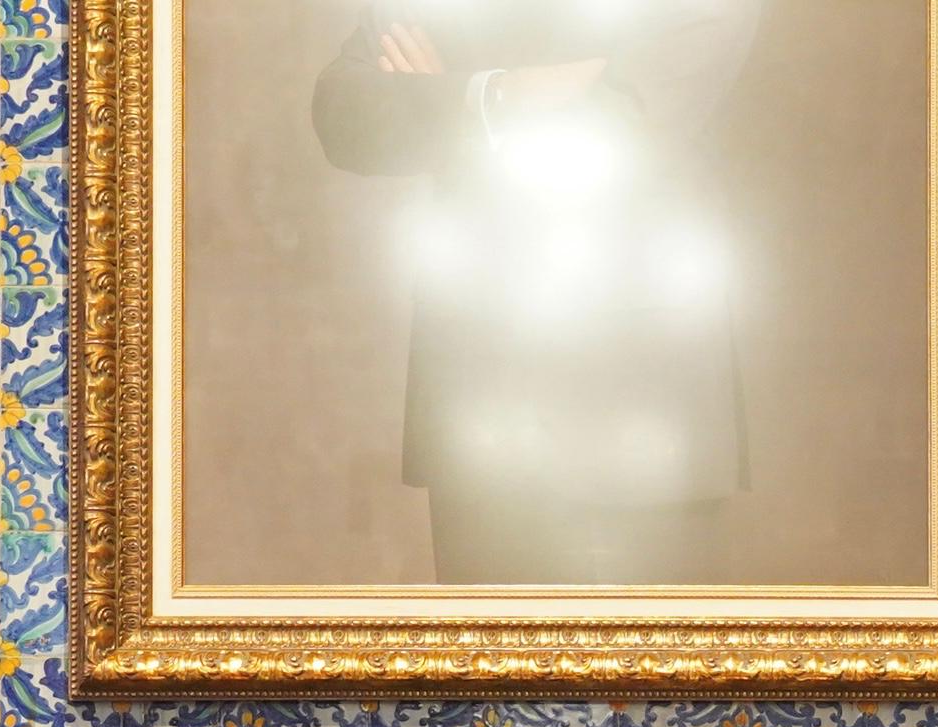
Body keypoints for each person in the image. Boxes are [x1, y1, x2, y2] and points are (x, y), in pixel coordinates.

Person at [309, 0, 759, 583]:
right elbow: (343, 114)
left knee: (639, 642)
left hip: (640, 406)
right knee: (488, 641)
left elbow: (621, 130)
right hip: (472, 395)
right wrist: (502, 94)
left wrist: (452, 101)